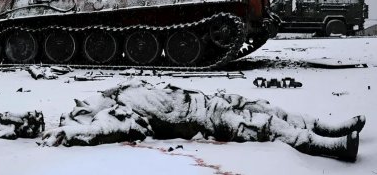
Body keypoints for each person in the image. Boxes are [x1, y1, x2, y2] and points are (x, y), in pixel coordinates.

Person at [42, 79, 365, 162]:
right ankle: (328, 146)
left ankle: (321, 125)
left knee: (264, 108)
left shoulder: (121, 91)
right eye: (78, 111)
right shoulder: (115, 115)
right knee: (259, 125)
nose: (81, 104)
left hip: (204, 99)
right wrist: (70, 133)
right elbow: (112, 130)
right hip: (200, 117)